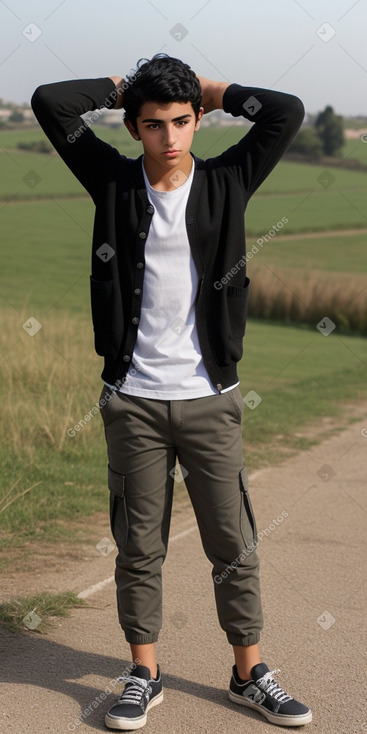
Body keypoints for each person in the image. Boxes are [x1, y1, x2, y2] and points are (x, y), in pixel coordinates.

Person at [31, 54, 312, 730]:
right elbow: (50, 102)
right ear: (134, 130)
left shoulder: (228, 180)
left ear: (198, 122)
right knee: (138, 544)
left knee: (233, 544)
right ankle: (143, 672)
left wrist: (213, 90)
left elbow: (285, 112)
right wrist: (125, 87)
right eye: (154, 125)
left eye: (182, 122)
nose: (170, 138)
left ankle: (250, 673)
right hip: (131, 398)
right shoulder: (113, 183)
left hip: (210, 397)